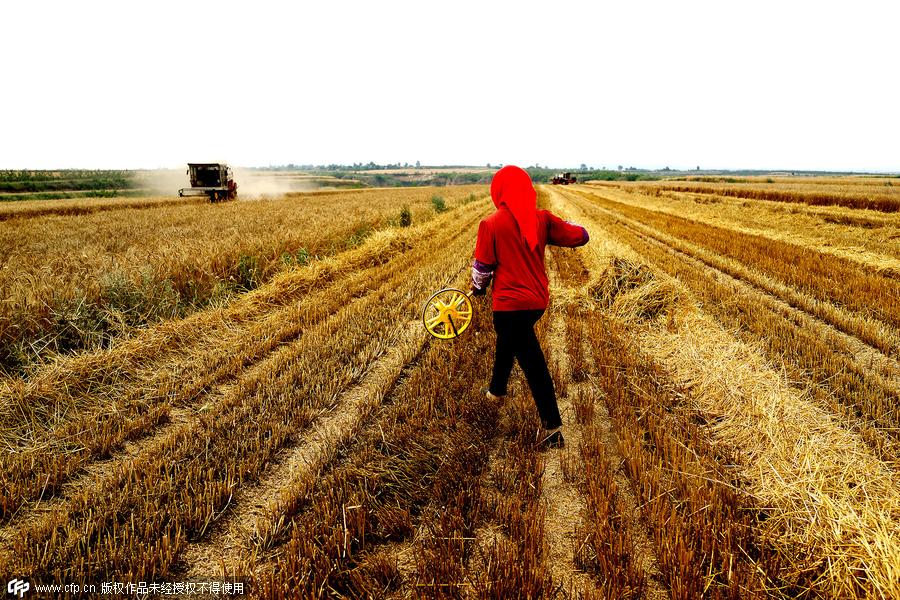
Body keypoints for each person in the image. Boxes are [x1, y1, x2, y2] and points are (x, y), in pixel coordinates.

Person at [471, 165, 589, 449]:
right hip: (537, 302)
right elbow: (581, 236)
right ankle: (496, 391)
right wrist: (571, 223)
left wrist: (478, 288)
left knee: (533, 365)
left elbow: (482, 268)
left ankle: (553, 428)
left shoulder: (490, 224)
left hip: (508, 305)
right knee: (508, 342)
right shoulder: (542, 219)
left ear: (499, 191)